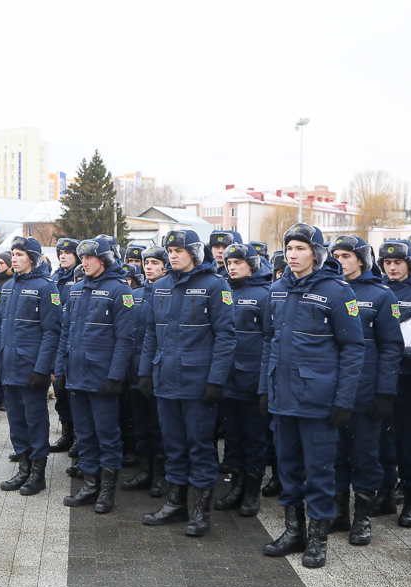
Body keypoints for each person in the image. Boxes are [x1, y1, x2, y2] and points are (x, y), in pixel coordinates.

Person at [260, 223, 365, 568]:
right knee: (287, 468)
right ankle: (295, 531)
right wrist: (265, 389)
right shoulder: (275, 290)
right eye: (289, 248)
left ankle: (318, 539)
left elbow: (352, 349)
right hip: (283, 399)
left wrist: (343, 401)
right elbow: (269, 343)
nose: (293, 255)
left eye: (301, 248)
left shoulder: (337, 292)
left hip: (318, 401)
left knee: (319, 472)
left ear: (316, 253)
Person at [139, 229, 237, 537]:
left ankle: (200, 511)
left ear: (194, 253)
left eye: (179, 250)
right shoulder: (161, 286)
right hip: (166, 380)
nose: (173, 254)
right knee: (174, 446)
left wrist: (216, 380)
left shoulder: (215, 286)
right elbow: (152, 335)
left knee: (200, 447)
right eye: (170, 250)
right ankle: (175, 503)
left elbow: (225, 337)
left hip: (198, 383)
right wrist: (145, 372)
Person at [327, 236, 402, 545]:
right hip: (331, 391)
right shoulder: (327, 291)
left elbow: (391, 348)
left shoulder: (381, 296)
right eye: (336, 255)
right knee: (335, 455)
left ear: (361, 260)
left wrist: (385, 393)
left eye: (346, 256)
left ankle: (363, 517)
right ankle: (339, 512)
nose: (340, 261)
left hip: (366, 393)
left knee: (365, 457)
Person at [55, 238, 134, 510]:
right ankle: (90, 485)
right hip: (77, 376)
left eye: (90, 258)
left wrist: (115, 377)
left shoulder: (120, 291)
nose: (85, 262)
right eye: (83, 258)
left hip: (102, 379)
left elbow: (125, 339)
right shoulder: (76, 290)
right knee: (85, 434)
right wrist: (60, 370)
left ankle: (107, 491)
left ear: (105, 260)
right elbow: (65, 333)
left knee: (107, 434)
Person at [0, 237, 61, 497]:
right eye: (13, 254)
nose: (15, 258)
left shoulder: (46, 288)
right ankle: (23, 467)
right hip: (9, 366)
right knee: (16, 420)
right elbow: (0, 327)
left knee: (36, 420)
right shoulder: (7, 287)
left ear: (32, 257)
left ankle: (37, 473)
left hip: (31, 368)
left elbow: (51, 332)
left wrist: (42, 369)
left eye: (19, 254)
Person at [214, 243, 272, 517]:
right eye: (229, 263)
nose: (232, 267)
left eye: (238, 262)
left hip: (252, 382)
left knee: (254, 438)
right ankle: (236, 487)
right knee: (234, 438)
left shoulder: (265, 294)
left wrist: (262, 382)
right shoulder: (223, 292)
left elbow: (270, 340)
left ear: (252, 264)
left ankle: (251, 491)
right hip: (228, 379)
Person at [123, 245, 169, 497]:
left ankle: (161, 474)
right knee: (140, 423)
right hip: (135, 371)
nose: (148, 266)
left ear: (165, 266)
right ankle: (145, 469)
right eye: (146, 262)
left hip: (159, 372)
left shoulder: (170, 292)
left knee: (158, 425)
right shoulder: (135, 294)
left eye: (154, 262)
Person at [379, 240, 411, 528]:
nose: (392, 267)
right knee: (383, 440)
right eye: (387, 263)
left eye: (398, 262)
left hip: (409, 378)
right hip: (383, 376)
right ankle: (386, 492)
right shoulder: (381, 290)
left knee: (408, 442)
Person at [47, 238, 81, 455]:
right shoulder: (54, 278)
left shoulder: (79, 278)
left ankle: (79, 436)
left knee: (74, 394)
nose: (63, 256)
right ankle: (66, 433)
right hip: (57, 339)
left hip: (73, 340)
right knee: (60, 392)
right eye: (60, 252)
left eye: (68, 252)